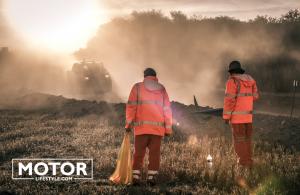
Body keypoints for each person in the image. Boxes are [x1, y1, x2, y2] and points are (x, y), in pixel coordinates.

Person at [125, 68, 172, 185]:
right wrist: (168, 129)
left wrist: (128, 124)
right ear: (155, 76)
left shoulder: (137, 87)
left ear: (144, 76)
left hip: (141, 129)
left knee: (138, 153)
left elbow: (131, 107)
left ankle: (135, 177)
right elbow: (167, 110)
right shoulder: (162, 89)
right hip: (158, 129)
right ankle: (152, 178)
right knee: (154, 154)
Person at [223, 61, 259, 168]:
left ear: (231, 72)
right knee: (247, 140)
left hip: (237, 119)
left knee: (239, 142)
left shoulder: (232, 82)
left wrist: (226, 117)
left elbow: (229, 101)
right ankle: (249, 162)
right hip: (248, 118)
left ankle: (243, 164)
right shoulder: (251, 80)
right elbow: (256, 96)